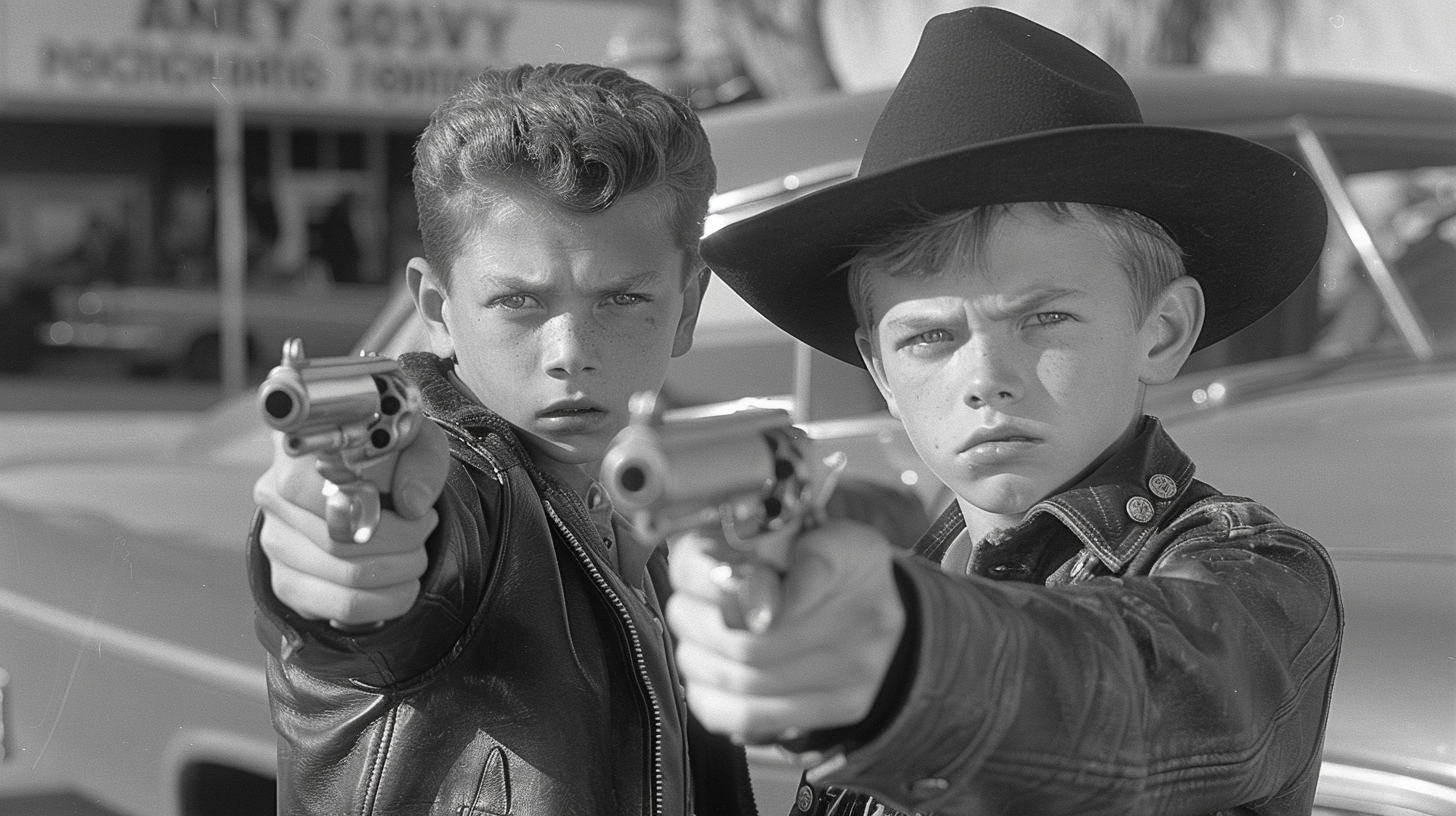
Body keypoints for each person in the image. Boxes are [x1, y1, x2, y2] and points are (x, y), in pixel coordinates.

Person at [667, 8, 1343, 816]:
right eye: (930, 337)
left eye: (1044, 319)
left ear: (1160, 334)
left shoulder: (1258, 580)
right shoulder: (898, 569)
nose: (986, 376)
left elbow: (1154, 681)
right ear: (878, 368)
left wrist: (913, 660)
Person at [248, 63, 760, 815]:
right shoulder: (464, 493)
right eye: (519, 302)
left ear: (687, 308)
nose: (568, 351)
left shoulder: (668, 490)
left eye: (622, 298)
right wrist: (344, 555)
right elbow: (407, 553)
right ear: (437, 305)